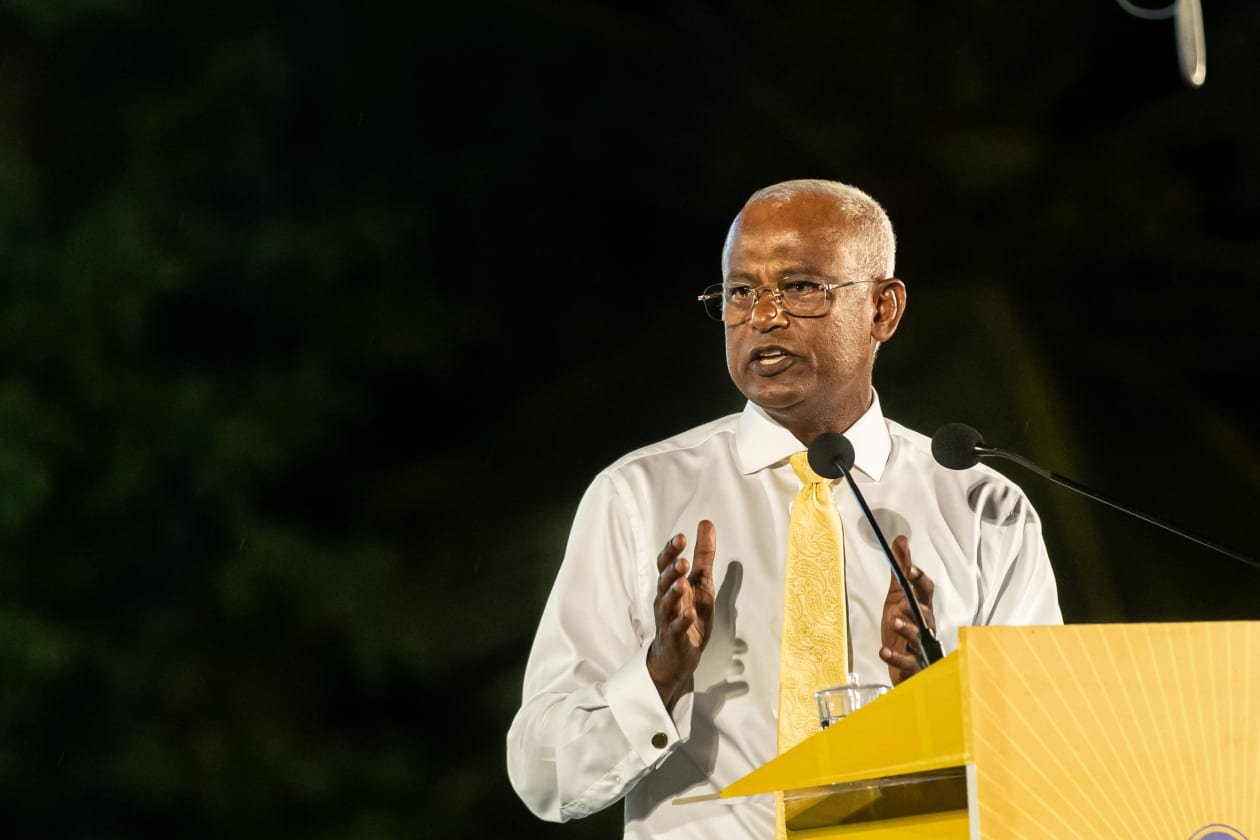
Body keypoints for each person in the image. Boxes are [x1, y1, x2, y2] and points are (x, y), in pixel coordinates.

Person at [505, 178, 1063, 838]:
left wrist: (935, 703)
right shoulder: (639, 496)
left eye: (799, 287)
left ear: (883, 309)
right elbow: (544, 775)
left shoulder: (982, 507)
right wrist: (658, 678)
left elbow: (1048, 766)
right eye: (740, 292)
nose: (763, 317)